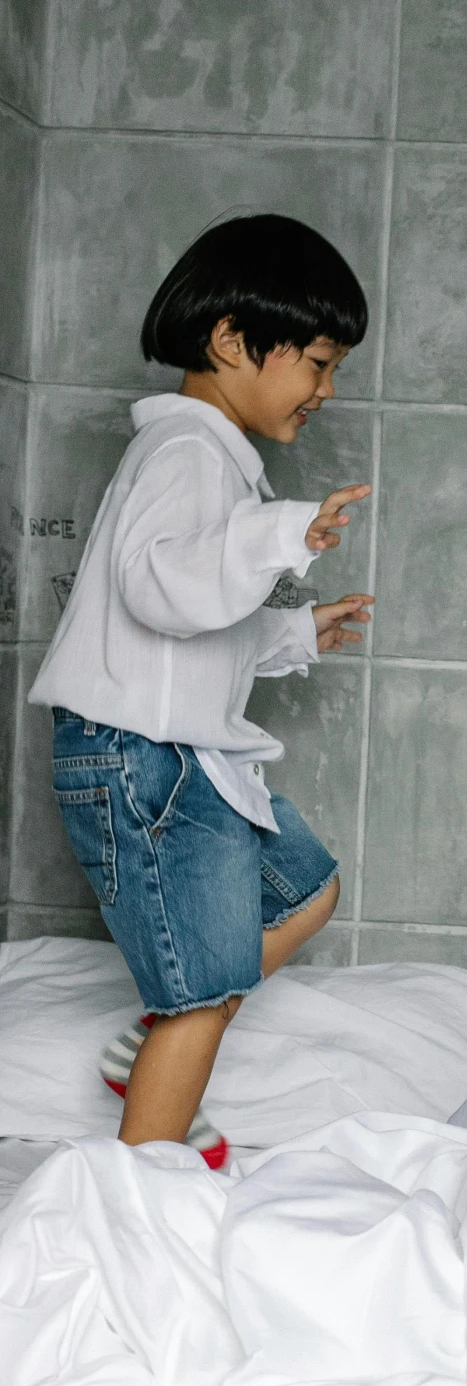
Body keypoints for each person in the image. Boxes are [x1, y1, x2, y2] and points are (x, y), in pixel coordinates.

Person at [28, 214, 376, 1167]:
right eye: (316, 360)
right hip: (144, 763)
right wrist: (283, 537)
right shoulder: (187, 452)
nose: (326, 389)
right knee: (199, 999)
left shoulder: (211, 456)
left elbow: (187, 625)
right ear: (231, 340)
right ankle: (140, 1192)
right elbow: (161, 587)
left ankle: (153, 1047)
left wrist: (296, 628)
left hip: (176, 753)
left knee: (306, 889)